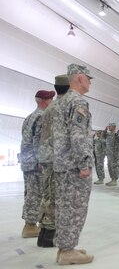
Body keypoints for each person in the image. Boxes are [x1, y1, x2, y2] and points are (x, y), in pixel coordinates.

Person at [52, 63, 94, 265]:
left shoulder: (60, 102)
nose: (90, 81)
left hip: (62, 165)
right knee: (75, 208)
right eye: (88, 77)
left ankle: (65, 248)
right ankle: (68, 252)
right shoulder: (78, 102)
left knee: (64, 207)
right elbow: (78, 136)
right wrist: (84, 164)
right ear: (79, 78)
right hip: (74, 166)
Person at [38, 75, 69, 247]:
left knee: (48, 195)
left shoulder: (50, 107)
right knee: (54, 197)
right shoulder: (61, 107)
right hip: (56, 159)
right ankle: (49, 235)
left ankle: (44, 233)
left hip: (47, 157)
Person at [21, 89, 55, 238]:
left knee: (30, 192)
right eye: (50, 100)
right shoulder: (42, 117)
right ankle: (29, 226)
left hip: (27, 161)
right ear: (43, 102)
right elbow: (39, 142)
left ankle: (30, 224)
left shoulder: (29, 117)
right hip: (36, 163)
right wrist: (41, 160)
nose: (52, 103)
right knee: (36, 194)